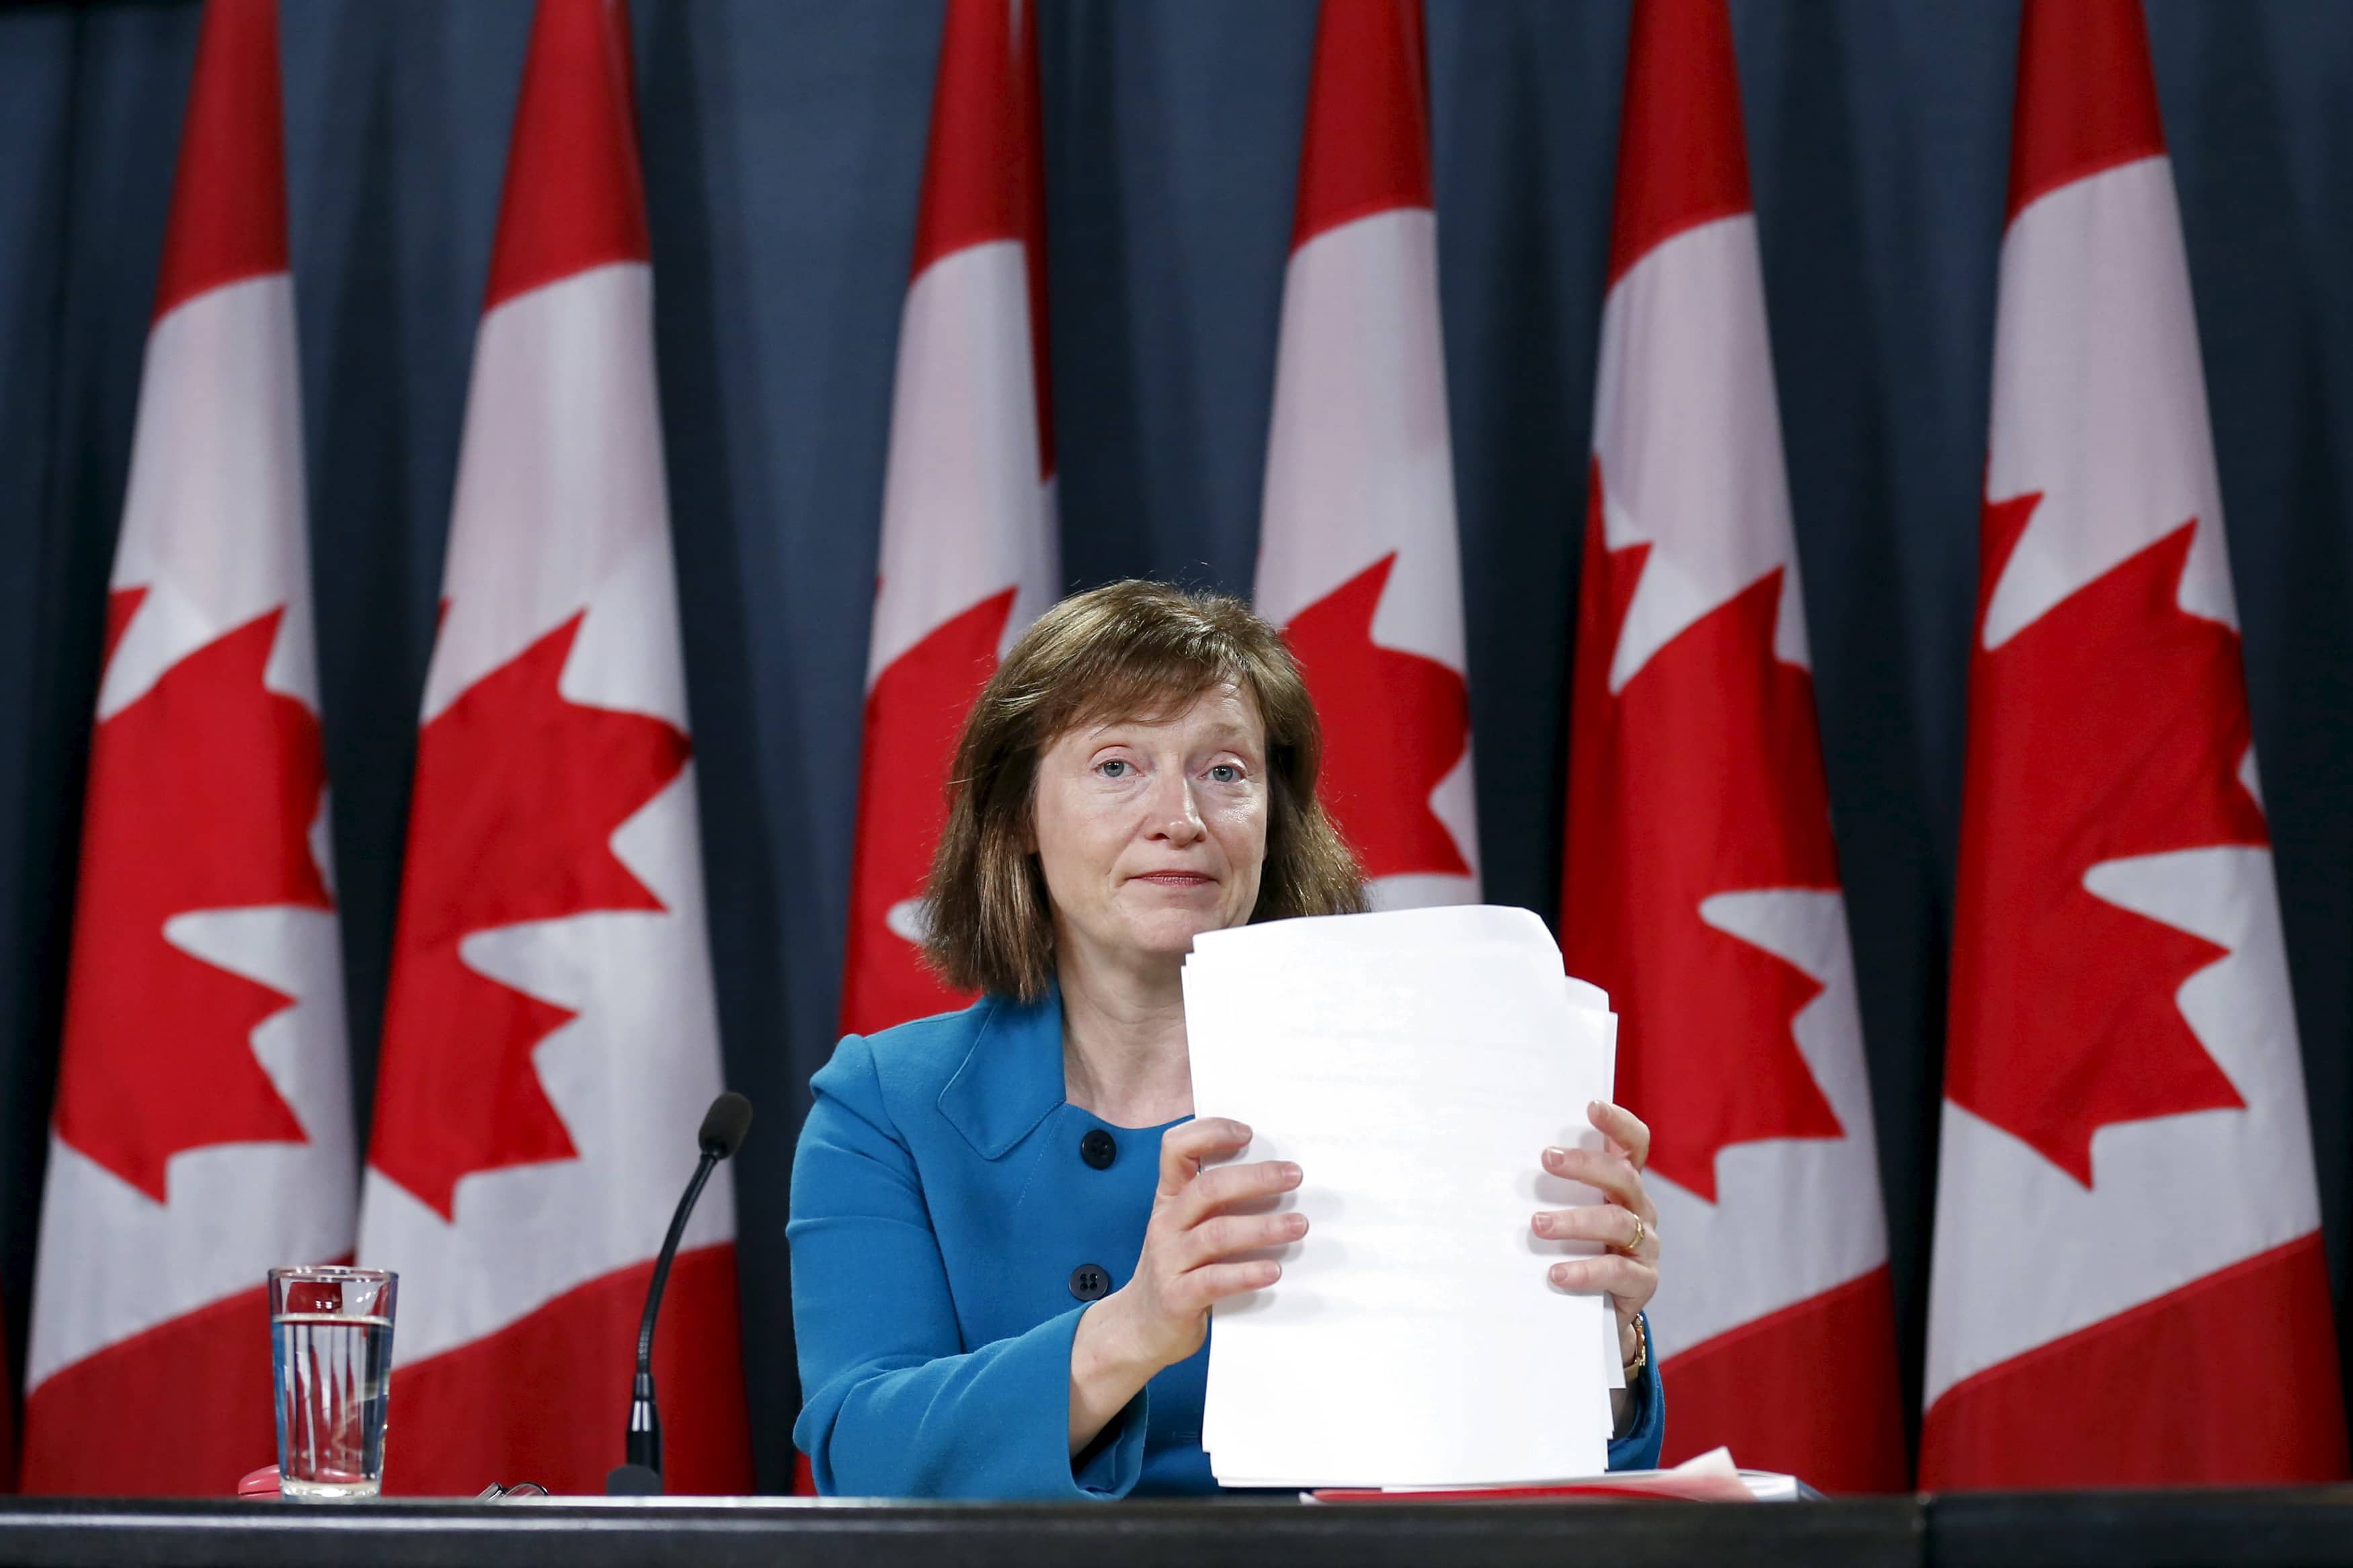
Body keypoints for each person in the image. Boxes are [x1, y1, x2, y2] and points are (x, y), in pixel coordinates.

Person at [791, 581, 1665, 1498]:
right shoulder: (885, 1104)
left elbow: (1554, 1480)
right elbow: (864, 1455)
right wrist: (1133, 1326)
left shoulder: (1433, 1072)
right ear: (1016, 818)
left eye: (1225, 771)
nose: (1181, 818)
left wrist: (1605, 1335)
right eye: (1118, 765)